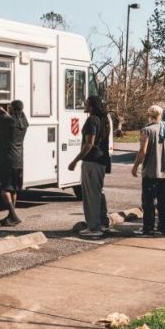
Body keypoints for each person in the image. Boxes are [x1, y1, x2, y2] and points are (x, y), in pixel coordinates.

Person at [68, 96, 111, 238]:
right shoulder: (105, 120)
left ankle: (94, 228)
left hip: (92, 161)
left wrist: (75, 161)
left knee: (91, 196)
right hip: (102, 161)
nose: (84, 104)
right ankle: (103, 223)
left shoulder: (92, 120)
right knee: (99, 193)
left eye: (86, 103)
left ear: (92, 106)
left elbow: (89, 143)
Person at [131, 105, 165, 237]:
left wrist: (136, 165)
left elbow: (143, 151)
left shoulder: (147, 130)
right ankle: (162, 227)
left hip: (150, 172)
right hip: (163, 172)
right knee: (162, 203)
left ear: (149, 115)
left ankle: (148, 228)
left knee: (148, 203)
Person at [0, 100, 29, 226]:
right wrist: (5, 111)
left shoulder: (7, 120)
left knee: (4, 189)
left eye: (10, 107)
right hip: (19, 160)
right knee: (13, 189)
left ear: (12, 108)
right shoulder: (24, 122)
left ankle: (14, 216)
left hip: (7, 160)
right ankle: (11, 216)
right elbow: (12, 117)